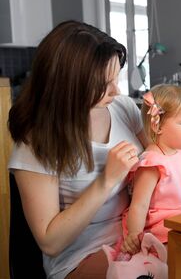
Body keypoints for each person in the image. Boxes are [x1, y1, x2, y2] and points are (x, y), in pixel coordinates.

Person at [8, 20, 148, 279]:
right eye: (104, 83)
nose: (116, 91)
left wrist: (168, 127)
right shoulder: (37, 141)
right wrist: (106, 180)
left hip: (139, 231)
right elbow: (50, 242)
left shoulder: (123, 108)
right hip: (82, 254)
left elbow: (158, 163)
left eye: (116, 78)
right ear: (68, 84)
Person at [120, 84, 181, 255]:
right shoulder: (152, 162)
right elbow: (139, 204)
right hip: (160, 224)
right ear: (157, 126)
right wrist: (134, 235)